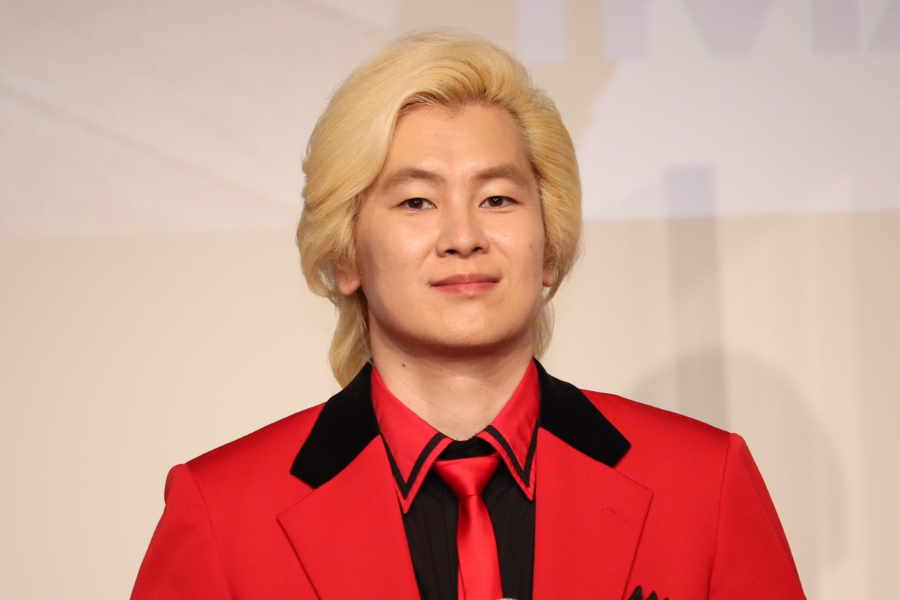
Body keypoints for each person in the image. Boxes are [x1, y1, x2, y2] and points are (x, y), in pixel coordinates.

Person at [130, 32, 805, 600]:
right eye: (416, 202)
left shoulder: (703, 484)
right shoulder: (223, 511)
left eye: (498, 199)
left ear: (550, 246)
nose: (463, 236)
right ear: (346, 254)